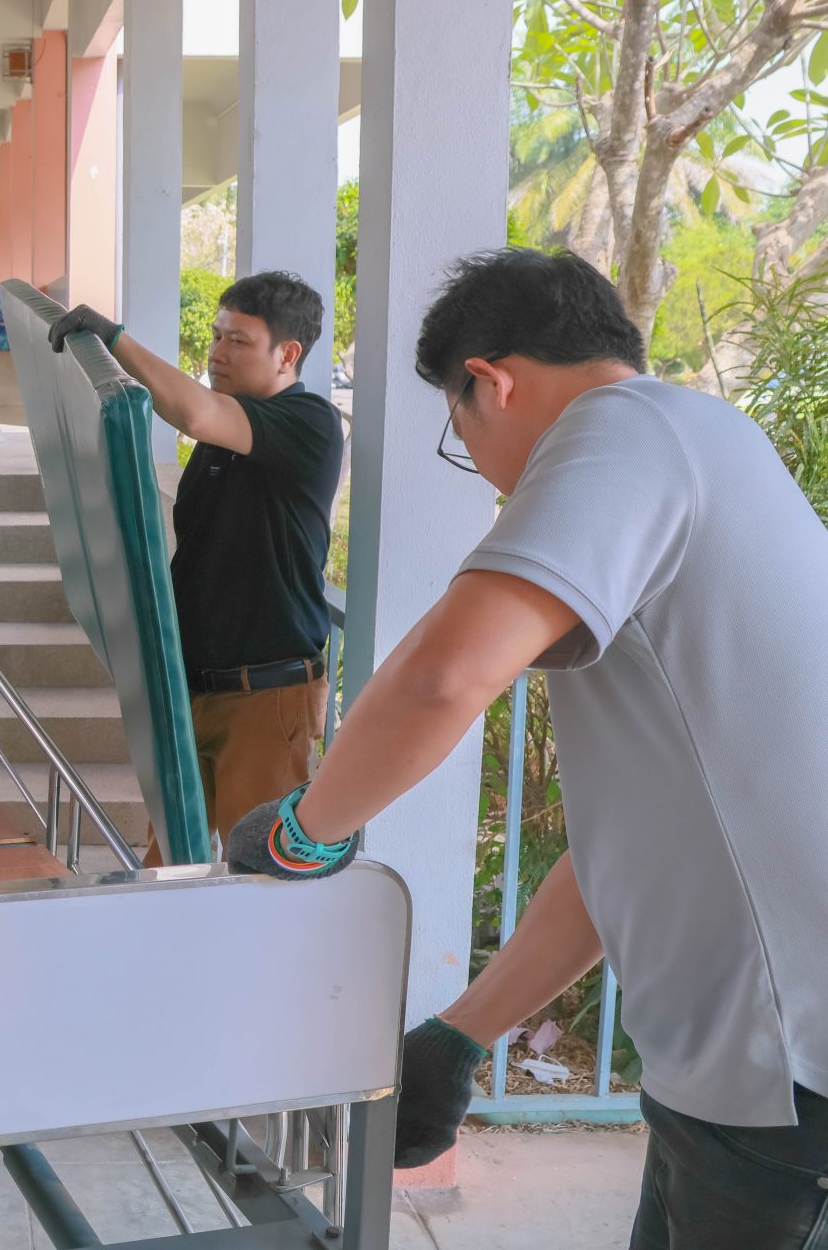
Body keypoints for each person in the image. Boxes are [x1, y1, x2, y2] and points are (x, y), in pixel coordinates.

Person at [218, 249, 828, 1249]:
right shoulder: (700, 445)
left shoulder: (625, 428)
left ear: (491, 383)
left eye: (459, 433)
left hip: (795, 1090)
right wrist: (461, 1035)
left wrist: (303, 831)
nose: (483, 469)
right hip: (739, 1091)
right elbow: (627, 852)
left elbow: (444, 675)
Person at [48, 272, 343, 860]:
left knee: (256, 871)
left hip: (265, 695)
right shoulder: (224, 434)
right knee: (166, 866)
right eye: (216, 335)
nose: (217, 352)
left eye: (238, 341)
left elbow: (196, 414)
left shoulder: (310, 422)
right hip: (192, 687)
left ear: (287, 354)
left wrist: (115, 339)